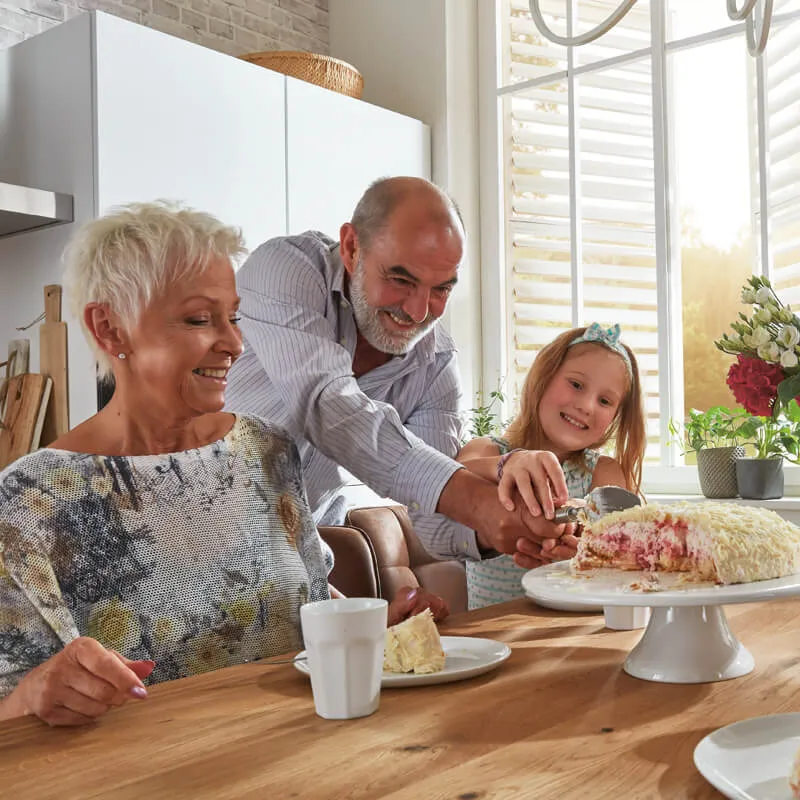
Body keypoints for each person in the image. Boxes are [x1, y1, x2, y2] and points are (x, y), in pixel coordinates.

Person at [0, 202, 446, 727]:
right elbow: (13, 709)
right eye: (198, 319)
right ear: (110, 329)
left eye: (233, 317)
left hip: (304, 762)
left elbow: (300, 607)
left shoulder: (267, 449)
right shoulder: (28, 502)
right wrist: (33, 694)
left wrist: (372, 634)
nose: (234, 343)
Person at [225, 176, 573, 569]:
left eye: (441, 289)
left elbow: (437, 519)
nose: (419, 311)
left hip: (301, 559)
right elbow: (330, 407)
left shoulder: (436, 364)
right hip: (195, 532)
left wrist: (508, 524)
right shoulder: (287, 269)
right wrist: (477, 502)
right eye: (401, 280)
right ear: (352, 247)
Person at [457, 323, 646, 609]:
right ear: (544, 377)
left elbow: (624, 559)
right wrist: (507, 465)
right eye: (576, 384)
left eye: (605, 401)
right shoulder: (487, 451)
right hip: (491, 636)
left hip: (574, 633)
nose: (586, 406)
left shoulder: (603, 472)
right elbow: (447, 483)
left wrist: (585, 556)